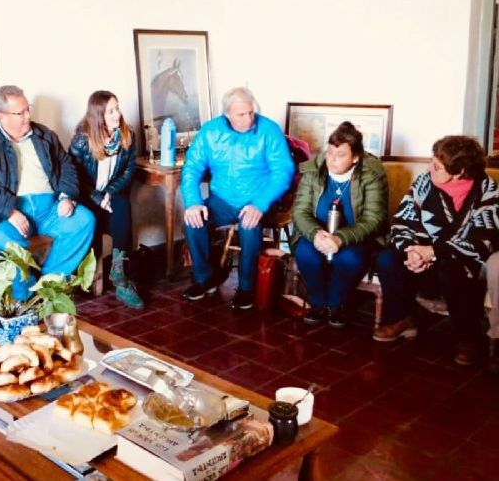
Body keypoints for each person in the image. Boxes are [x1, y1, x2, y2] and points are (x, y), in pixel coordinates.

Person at [373, 136, 499, 366]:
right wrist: (412, 251)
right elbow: (403, 221)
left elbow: (481, 241)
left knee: (454, 270)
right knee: (388, 258)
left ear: (460, 170)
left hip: (461, 259)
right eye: (431, 162)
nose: (429, 168)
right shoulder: (424, 182)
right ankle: (403, 318)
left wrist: (432, 252)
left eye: (437, 167)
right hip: (423, 254)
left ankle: (468, 336)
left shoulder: (487, 191)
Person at [0, 85, 95, 298]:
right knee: (13, 246)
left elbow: (66, 165)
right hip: (5, 215)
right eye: (21, 113)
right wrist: (10, 211)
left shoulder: (44, 135)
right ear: (1, 116)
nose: (28, 116)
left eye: (28, 109)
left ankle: (47, 285)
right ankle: (25, 299)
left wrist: (67, 197)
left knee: (84, 220)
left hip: (49, 208)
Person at [181, 87, 294, 309]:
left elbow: (283, 172)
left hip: (260, 199)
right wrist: (193, 202)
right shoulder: (210, 132)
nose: (249, 118)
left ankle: (246, 288)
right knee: (192, 220)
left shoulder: (269, 130)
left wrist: (260, 204)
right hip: (222, 200)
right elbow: (191, 168)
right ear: (227, 115)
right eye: (242, 115)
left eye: (251, 112)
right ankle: (204, 279)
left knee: (249, 226)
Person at [290, 121, 388, 328]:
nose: (332, 160)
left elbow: (374, 219)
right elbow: (299, 211)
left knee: (350, 258)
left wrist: (340, 238)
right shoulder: (312, 171)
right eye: (330, 152)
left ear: (355, 158)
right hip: (317, 232)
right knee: (305, 253)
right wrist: (315, 233)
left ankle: (336, 304)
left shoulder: (371, 175)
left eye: (340, 155)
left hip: (357, 235)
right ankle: (317, 302)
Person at [69, 90, 143, 309]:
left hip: (111, 195)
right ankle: (87, 276)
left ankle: (119, 274)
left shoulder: (127, 135)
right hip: (88, 197)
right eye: (110, 111)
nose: (116, 115)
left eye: (117, 108)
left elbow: (128, 172)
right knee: (92, 216)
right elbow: (74, 179)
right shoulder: (82, 140)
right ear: (98, 115)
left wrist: (109, 192)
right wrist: (98, 197)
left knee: (122, 205)